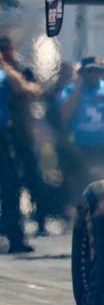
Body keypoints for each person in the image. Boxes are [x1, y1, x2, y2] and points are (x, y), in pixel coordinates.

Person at [0, 36, 52, 234]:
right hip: (7, 131)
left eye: (6, 48)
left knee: (32, 176)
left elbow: (33, 90)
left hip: (22, 131)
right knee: (9, 181)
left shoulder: (20, 69)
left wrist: (7, 67)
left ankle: (41, 218)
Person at [59, 56, 104, 191]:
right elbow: (65, 114)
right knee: (83, 184)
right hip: (82, 148)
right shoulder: (71, 90)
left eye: (97, 70)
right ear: (82, 73)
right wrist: (78, 87)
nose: (94, 74)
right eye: (89, 71)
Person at [0, 50, 41, 252]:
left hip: (4, 136)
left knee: (11, 185)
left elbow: (27, 89)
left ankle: (15, 237)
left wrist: (5, 66)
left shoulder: (3, 75)